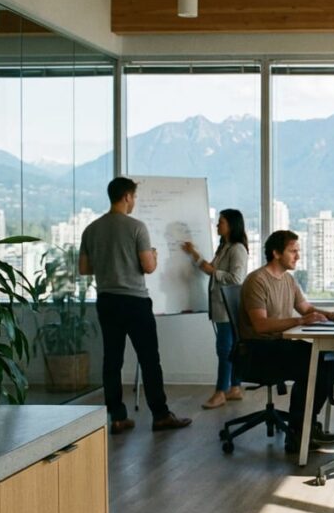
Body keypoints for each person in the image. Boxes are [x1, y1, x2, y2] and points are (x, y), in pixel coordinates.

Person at [78, 177, 192, 435]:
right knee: (149, 358)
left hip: (106, 300)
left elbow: (84, 269)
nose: (134, 202)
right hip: (134, 301)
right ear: (128, 197)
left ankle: (117, 417)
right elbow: (148, 267)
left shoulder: (91, 229)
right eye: (134, 197)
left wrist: (110, 263)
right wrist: (152, 255)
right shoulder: (136, 227)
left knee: (112, 360)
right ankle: (161, 415)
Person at [238, 230, 334, 451]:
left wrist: (330, 314)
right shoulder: (257, 281)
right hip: (259, 350)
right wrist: (301, 320)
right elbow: (261, 325)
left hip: (279, 346)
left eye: (298, 251)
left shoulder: (288, 280)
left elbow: (306, 308)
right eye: (293, 251)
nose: (298, 256)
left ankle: (304, 426)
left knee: (330, 360)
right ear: (276, 253)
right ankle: (298, 431)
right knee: (316, 364)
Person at [182, 208, 250, 410]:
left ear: (231, 224)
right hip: (221, 306)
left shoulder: (237, 249)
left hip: (228, 308)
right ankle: (234, 388)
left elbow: (236, 279)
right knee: (230, 349)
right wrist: (194, 254)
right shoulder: (224, 247)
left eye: (221, 222)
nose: (217, 225)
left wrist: (214, 271)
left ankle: (220, 392)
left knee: (224, 350)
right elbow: (209, 269)